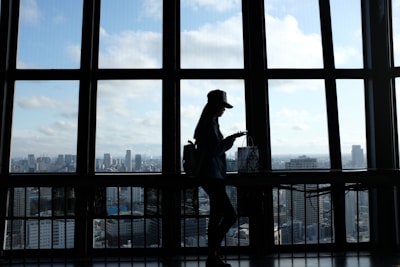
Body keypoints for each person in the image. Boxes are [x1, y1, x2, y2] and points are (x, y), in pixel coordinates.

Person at [194, 89, 246, 267]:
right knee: (230, 215)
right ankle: (213, 252)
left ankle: (213, 255)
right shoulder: (209, 124)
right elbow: (215, 150)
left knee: (216, 216)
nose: (224, 110)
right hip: (212, 176)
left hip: (212, 175)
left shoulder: (209, 122)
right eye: (222, 107)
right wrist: (230, 140)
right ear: (216, 106)